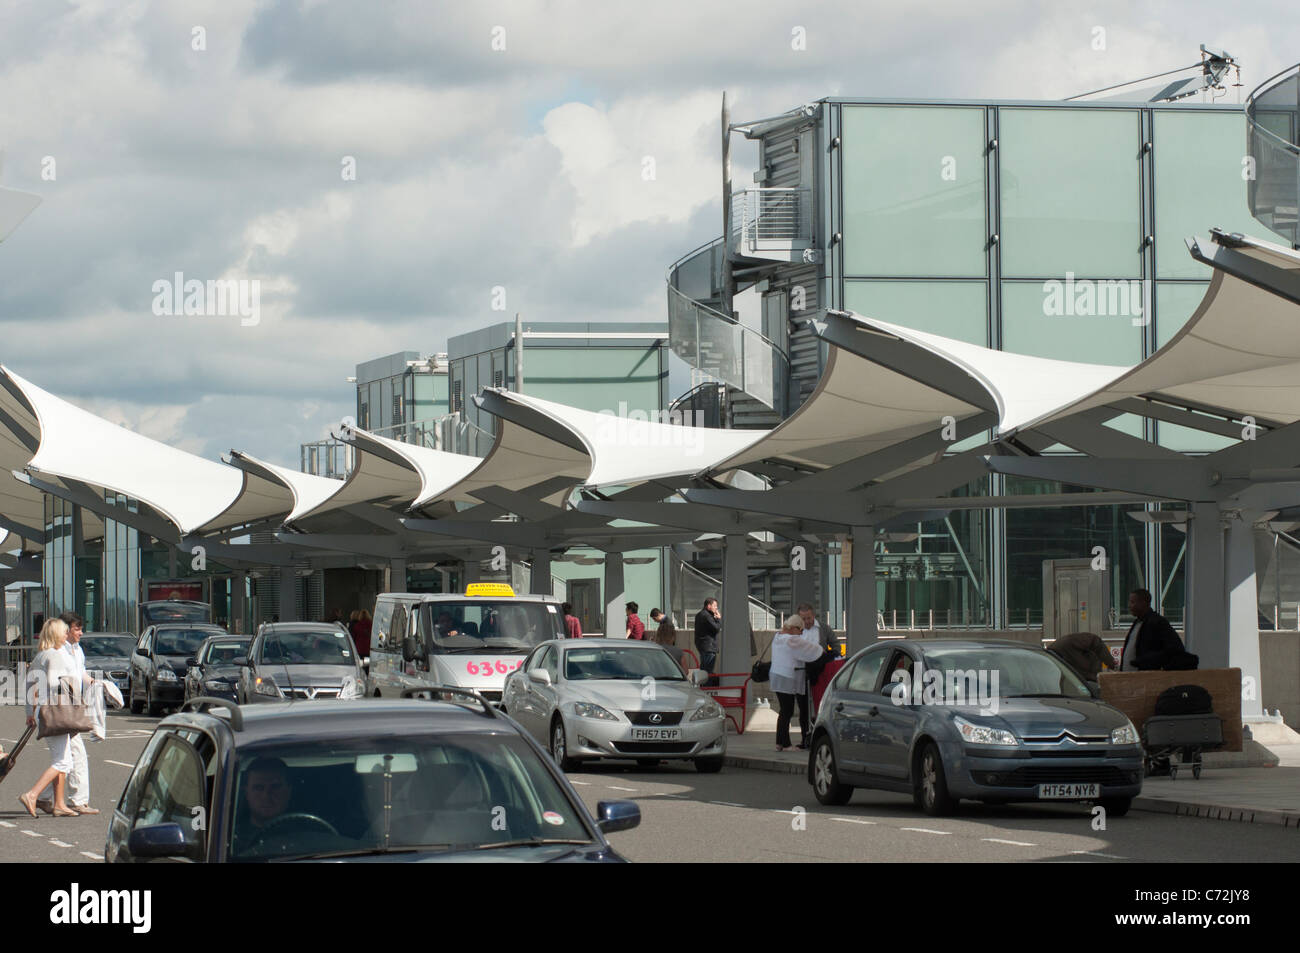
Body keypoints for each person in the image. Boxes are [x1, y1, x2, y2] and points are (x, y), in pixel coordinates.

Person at [35, 612, 99, 815]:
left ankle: (46, 798)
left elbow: (80, 674)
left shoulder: (77, 650)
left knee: (67, 758)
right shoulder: (56, 652)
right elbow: (53, 682)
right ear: (65, 630)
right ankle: (73, 800)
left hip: (71, 706)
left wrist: (94, 683)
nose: (80, 632)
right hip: (62, 708)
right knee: (71, 757)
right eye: (76, 628)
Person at [18, 619, 82, 817]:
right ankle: (33, 794)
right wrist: (72, 685)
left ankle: (59, 804)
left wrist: (30, 712)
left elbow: (29, 685)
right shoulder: (54, 655)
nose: (66, 636)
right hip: (55, 710)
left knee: (62, 758)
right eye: (64, 633)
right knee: (63, 761)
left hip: (43, 710)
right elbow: (55, 683)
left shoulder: (39, 656)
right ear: (56, 635)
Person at [770, 618, 824, 752]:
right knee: (787, 711)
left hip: (776, 675)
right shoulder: (792, 639)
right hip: (787, 677)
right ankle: (787, 744)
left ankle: (779, 742)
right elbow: (811, 649)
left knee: (783, 710)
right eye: (800, 630)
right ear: (794, 628)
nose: (801, 633)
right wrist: (822, 651)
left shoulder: (777, 637)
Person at [1119, 589, 1188, 671]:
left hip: (1145, 677)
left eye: (1132, 602)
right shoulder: (1138, 623)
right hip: (1133, 676)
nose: (1129, 605)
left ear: (1143, 603)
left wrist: (1149, 661)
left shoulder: (1158, 622)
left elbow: (1175, 649)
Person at [234, 758, 292, 853]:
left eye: (275, 787)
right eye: (258, 788)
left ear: (288, 791)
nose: (266, 795)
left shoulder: (310, 835)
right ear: (246, 793)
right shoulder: (230, 842)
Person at [1050, 631, 1114, 682]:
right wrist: (1112, 664)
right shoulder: (1092, 641)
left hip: (1063, 651)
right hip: (1068, 651)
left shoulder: (1056, 650)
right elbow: (1100, 647)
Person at [693, 598, 721, 685]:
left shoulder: (699, 615)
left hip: (703, 645)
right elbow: (716, 628)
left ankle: (703, 688)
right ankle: (706, 690)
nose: (716, 608)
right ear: (709, 606)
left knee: (704, 670)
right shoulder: (707, 616)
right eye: (715, 606)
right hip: (709, 646)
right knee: (707, 671)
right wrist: (718, 619)